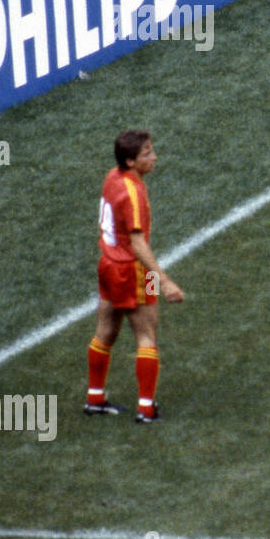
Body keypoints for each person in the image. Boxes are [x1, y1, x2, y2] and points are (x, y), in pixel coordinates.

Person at [84, 130, 185, 424]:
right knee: (147, 333)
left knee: (105, 330)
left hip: (108, 265)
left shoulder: (112, 176)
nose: (154, 157)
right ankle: (146, 408)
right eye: (147, 154)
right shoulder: (133, 192)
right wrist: (163, 280)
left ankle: (95, 398)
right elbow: (139, 243)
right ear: (130, 161)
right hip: (135, 271)